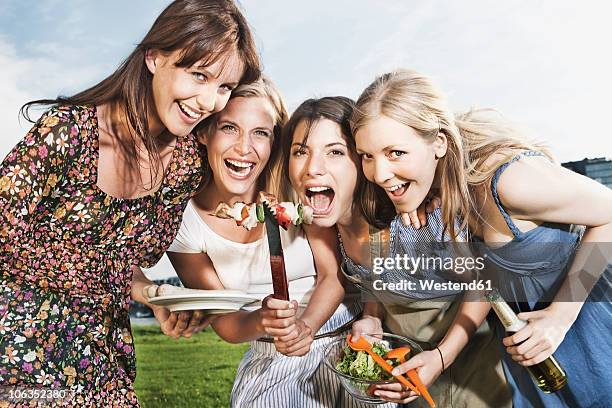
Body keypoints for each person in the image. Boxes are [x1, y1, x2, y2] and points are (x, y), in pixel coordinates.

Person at [0, 1, 260, 405]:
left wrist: (153, 295)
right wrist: (118, 281)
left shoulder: (185, 165)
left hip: (102, 358)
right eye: (199, 76)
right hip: (18, 347)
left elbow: (122, 261)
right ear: (154, 57)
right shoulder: (67, 134)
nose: (209, 101)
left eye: (224, 86)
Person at [351, 68, 612, 407]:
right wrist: (440, 356)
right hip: (532, 356)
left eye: (395, 153)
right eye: (367, 156)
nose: (379, 174)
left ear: (439, 143)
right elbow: (487, 278)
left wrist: (560, 316)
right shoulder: (441, 192)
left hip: (592, 335)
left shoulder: (509, 180)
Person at [282, 96, 511, 407]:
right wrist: (373, 318)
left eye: (335, 152)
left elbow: (485, 284)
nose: (313, 169)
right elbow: (375, 282)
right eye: (300, 152)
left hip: (471, 372)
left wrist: (442, 357)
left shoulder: (412, 216)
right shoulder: (331, 225)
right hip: (410, 375)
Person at [166, 78, 366, 407]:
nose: (245, 148)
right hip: (271, 352)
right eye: (229, 127)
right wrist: (262, 319)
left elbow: (334, 276)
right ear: (203, 132)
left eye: (260, 132)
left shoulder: (294, 188)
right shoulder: (184, 223)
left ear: (274, 141)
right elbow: (227, 322)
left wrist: (305, 326)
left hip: (346, 333)